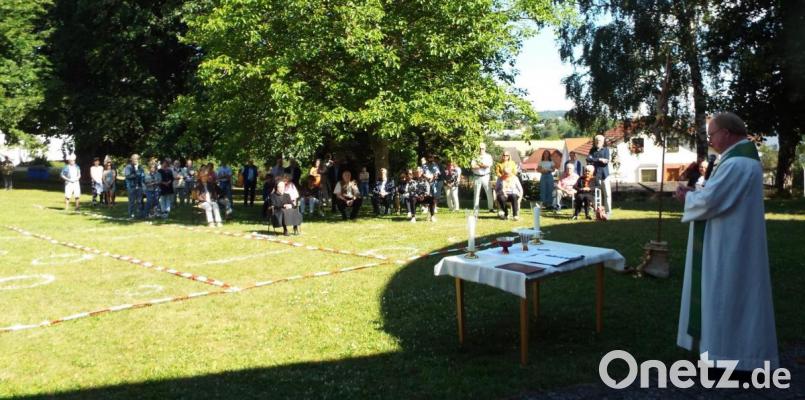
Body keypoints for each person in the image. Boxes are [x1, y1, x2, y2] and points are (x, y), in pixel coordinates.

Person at [674, 112, 778, 374]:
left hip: (729, 245)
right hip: (733, 238)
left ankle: (729, 360)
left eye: (712, 134)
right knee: (733, 295)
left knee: (726, 295)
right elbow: (718, 193)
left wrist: (688, 198)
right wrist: (696, 193)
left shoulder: (737, 163)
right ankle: (731, 356)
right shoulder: (740, 159)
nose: (710, 140)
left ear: (727, 133)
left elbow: (712, 201)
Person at [587, 134, 612, 216]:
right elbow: (588, 159)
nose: (598, 142)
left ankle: (608, 212)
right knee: (595, 194)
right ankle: (597, 211)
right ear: (595, 141)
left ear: (603, 142)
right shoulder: (592, 150)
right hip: (595, 175)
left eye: (600, 141)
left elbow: (606, 161)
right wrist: (599, 159)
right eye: (597, 140)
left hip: (605, 175)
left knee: (607, 194)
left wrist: (594, 160)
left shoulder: (606, 150)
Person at [470, 143, 495, 213]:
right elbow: (473, 166)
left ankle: (491, 208)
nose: (481, 150)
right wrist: (482, 165)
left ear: (485, 148)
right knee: (476, 194)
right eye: (480, 148)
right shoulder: (475, 156)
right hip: (477, 176)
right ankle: (476, 209)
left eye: (482, 148)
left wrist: (479, 165)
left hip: (486, 176)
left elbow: (488, 165)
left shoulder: (488, 156)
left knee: (489, 193)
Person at [124, 154, 145, 218]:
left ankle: (140, 214)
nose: (136, 160)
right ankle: (131, 215)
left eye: (137, 159)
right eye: (134, 159)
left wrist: (144, 185)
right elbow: (127, 176)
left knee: (140, 201)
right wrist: (136, 174)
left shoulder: (140, 167)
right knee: (131, 202)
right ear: (131, 159)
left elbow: (143, 176)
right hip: (131, 187)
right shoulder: (128, 167)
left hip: (140, 186)